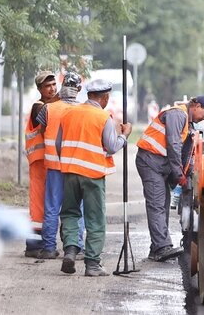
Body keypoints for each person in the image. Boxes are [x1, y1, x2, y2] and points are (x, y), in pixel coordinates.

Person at [57, 79, 131, 276]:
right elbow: (112, 146)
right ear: (104, 97)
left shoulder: (69, 113)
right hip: (93, 174)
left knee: (70, 213)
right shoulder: (102, 117)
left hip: (70, 172)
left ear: (89, 95)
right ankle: (92, 265)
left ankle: (71, 251)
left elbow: (59, 144)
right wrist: (125, 135)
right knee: (95, 219)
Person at [136, 96, 204, 261]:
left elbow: (186, 154)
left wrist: (189, 173)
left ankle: (156, 247)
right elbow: (174, 145)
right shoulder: (178, 115)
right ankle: (162, 247)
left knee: (163, 203)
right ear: (197, 106)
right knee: (157, 204)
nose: (203, 119)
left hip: (160, 164)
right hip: (150, 161)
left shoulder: (187, 124)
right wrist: (179, 175)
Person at [35, 71, 84, 259]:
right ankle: (76, 247)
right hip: (75, 167)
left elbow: (41, 130)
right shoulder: (83, 110)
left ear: (62, 87)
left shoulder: (49, 109)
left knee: (52, 207)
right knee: (76, 208)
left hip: (54, 166)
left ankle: (48, 247)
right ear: (78, 89)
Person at [23, 71, 58, 257]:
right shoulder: (39, 106)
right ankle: (33, 246)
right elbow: (45, 113)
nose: (52, 89)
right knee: (38, 204)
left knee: (46, 203)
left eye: (53, 84)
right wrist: (65, 98)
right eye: (47, 86)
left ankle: (42, 243)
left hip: (47, 160)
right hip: (38, 161)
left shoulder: (51, 104)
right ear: (39, 89)